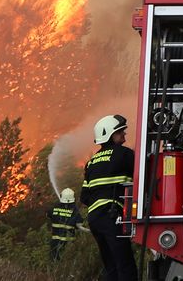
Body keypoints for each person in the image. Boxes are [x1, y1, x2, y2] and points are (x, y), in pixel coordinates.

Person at [81, 114, 138, 281]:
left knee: (111, 267)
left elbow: (84, 196)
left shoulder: (91, 162)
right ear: (110, 134)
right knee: (125, 266)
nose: (124, 136)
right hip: (111, 216)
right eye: (120, 132)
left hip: (95, 220)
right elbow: (144, 177)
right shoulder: (124, 154)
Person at [47, 187, 84, 261]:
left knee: (54, 262)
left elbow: (48, 214)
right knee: (67, 263)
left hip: (55, 244)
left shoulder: (54, 209)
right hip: (68, 245)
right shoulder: (75, 212)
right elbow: (80, 223)